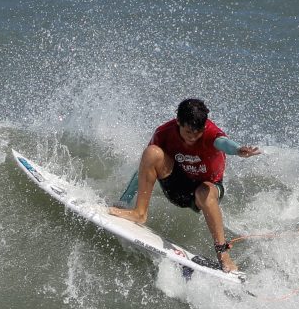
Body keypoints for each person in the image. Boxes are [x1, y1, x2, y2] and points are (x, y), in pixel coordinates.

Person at [109, 98, 261, 272]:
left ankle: (223, 254)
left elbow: (223, 143)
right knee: (151, 153)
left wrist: (238, 150)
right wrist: (124, 200)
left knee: (205, 192)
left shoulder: (210, 133)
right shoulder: (164, 133)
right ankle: (139, 212)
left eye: (198, 133)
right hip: (176, 186)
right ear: (178, 121)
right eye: (188, 132)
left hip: (206, 190)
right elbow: (144, 168)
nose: (193, 137)